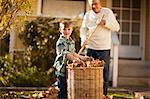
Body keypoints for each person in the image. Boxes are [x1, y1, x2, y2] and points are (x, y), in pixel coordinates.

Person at [80, 0, 120, 98]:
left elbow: (116, 27)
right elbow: (83, 29)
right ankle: (89, 95)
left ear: (100, 3)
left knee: (103, 73)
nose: (94, 6)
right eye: (92, 4)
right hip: (90, 48)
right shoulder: (88, 15)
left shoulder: (107, 12)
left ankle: (103, 95)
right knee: (88, 73)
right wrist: (83, 39)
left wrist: (105, 22)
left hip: (104, 48)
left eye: (96, 3)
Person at [53, 20, 89, 99]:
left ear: (71, 30)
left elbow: (73, 53)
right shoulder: (60, 42)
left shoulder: (71, 41)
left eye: (68, 29)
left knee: (69, 89)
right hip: (62, 69)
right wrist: (74, 59)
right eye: (64, 29)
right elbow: (66, 54)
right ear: (60, 30)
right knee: (62, 90)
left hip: (69, 70)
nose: (66, 31)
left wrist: (82, 57)